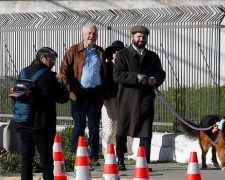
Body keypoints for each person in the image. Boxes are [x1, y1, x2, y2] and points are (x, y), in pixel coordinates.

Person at [113, 25, 166, 171]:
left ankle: (143, 162)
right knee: (122, 131)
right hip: (126, 99)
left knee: (145, 132)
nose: (141, 39)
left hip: (146, 99)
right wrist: (135, 77)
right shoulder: (122, 55)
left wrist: (155, 79)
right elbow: (117, 75)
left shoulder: (152, 56)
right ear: (132, 37)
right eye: (138, 36)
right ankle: (120, 160)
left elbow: (161, 74)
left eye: (144, 37)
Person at [14, 47, 69, 180]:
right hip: (42, 125)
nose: (53, 63)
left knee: (26, 160)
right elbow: (63, 98)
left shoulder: (23, 72)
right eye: (52, 60)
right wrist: (62, 85)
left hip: (23, 122)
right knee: (46, 161)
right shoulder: (47, 76)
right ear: (42, 58)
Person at [58, 24, 106, 166]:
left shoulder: (100, 52)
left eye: (94, 34)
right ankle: (75, 154)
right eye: (89, 33)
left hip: (95, 93)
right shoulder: (74, 50)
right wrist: (69, 87)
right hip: (79, 94)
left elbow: (104, 71)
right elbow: (63, 70)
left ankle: (94, 157)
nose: (92, 36)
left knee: (94, 126)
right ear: (83, 34)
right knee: (79, 125)